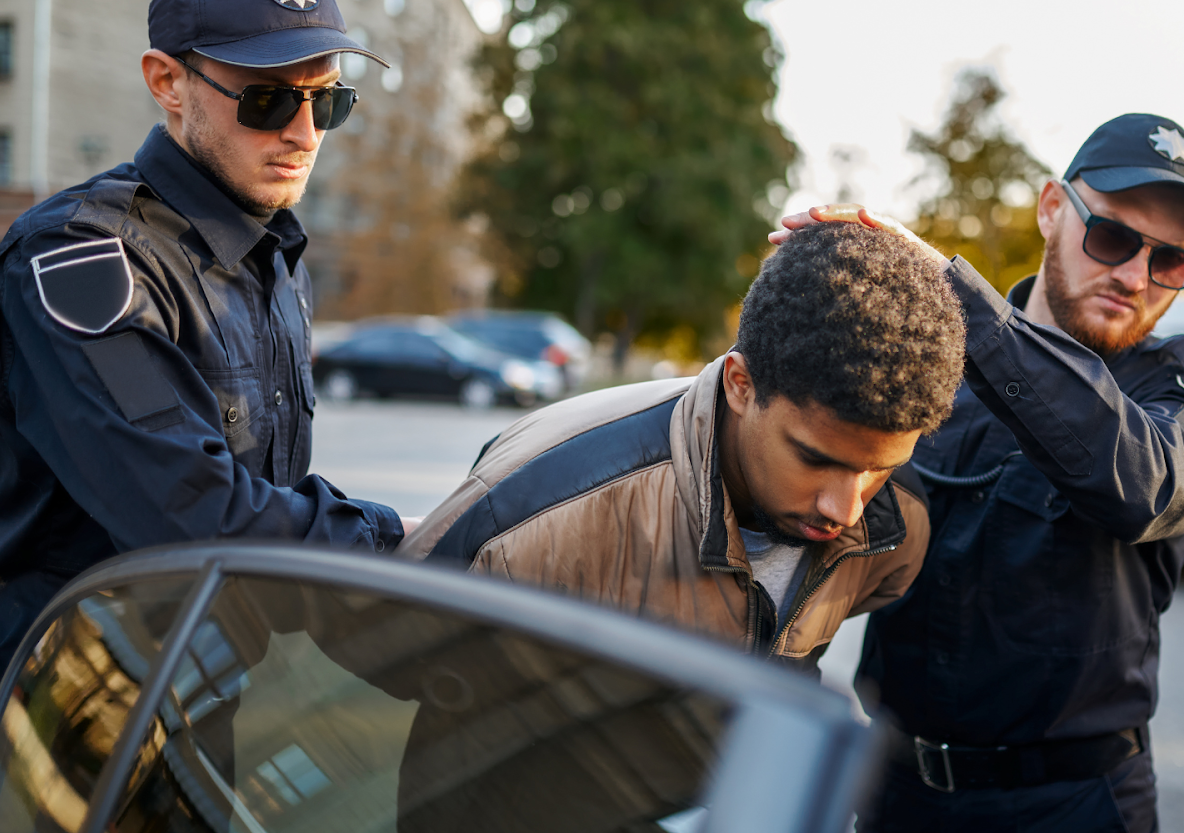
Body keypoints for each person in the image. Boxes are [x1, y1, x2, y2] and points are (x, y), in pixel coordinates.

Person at [0, 0, 417, 777]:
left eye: (330, 101)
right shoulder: (82, 260)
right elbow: (194, 518)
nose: (305, 132)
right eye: (269, 100)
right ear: (168, 82)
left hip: (195, 714)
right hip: (42, 743)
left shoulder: (273, 257)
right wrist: (395, 541)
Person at [774, 114, 1184, 833]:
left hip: (1072, 819)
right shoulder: (930, 362)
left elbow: (1141, 483)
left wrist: (950, 295)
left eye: (1172, 262)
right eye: (1115, 238)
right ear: (1052, 208)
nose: (1135, 276)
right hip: (902, 803)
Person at [400, 222, 965, 663]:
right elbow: (390, 654)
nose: (844, 509)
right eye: (815, 458)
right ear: (741, 385)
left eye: (879, 470)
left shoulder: (901, 522)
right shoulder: (534, 510)